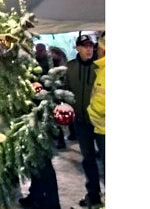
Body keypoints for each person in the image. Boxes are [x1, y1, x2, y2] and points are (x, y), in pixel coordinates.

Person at [65, 34, 103, 207]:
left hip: (101, 122)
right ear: (77, 48)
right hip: (81, 123)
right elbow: (64, 91)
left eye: (91, 46)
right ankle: (93, 194)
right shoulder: (69, 68)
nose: (89, 49)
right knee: (88, 159)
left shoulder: (100, 67)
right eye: (85, 46)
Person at [88, 33, 106, 185]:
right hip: (100, 128)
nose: (96, 50)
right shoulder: (101, 69)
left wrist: (90, 112)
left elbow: (101, 102)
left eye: (98, 48)